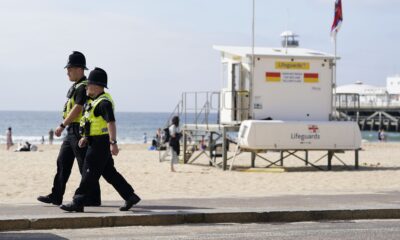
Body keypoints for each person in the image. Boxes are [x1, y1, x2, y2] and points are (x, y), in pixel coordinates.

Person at [60, 67, 140, 212]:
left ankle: (78, 201)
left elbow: (111, 123)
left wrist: (113, 143)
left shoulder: (104, 103)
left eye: (89, 84)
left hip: (101, 144)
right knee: (109, 173)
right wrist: (85, 137)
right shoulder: (94, 101)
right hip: (94, 141)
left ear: (96, 86)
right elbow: (92, 123)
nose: (86, 87)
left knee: (88, 171)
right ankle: (130, 196)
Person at [37, 51, 101, 206]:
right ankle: (56, 195)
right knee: (62, 163)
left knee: (84, 166)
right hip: (71, 132)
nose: (67, 71)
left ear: (80, 69)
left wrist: (62, 125)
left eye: (70, 68)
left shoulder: (83, 87)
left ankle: (93, 198)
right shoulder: (77, 86)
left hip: (78, 131)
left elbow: (78, 108)